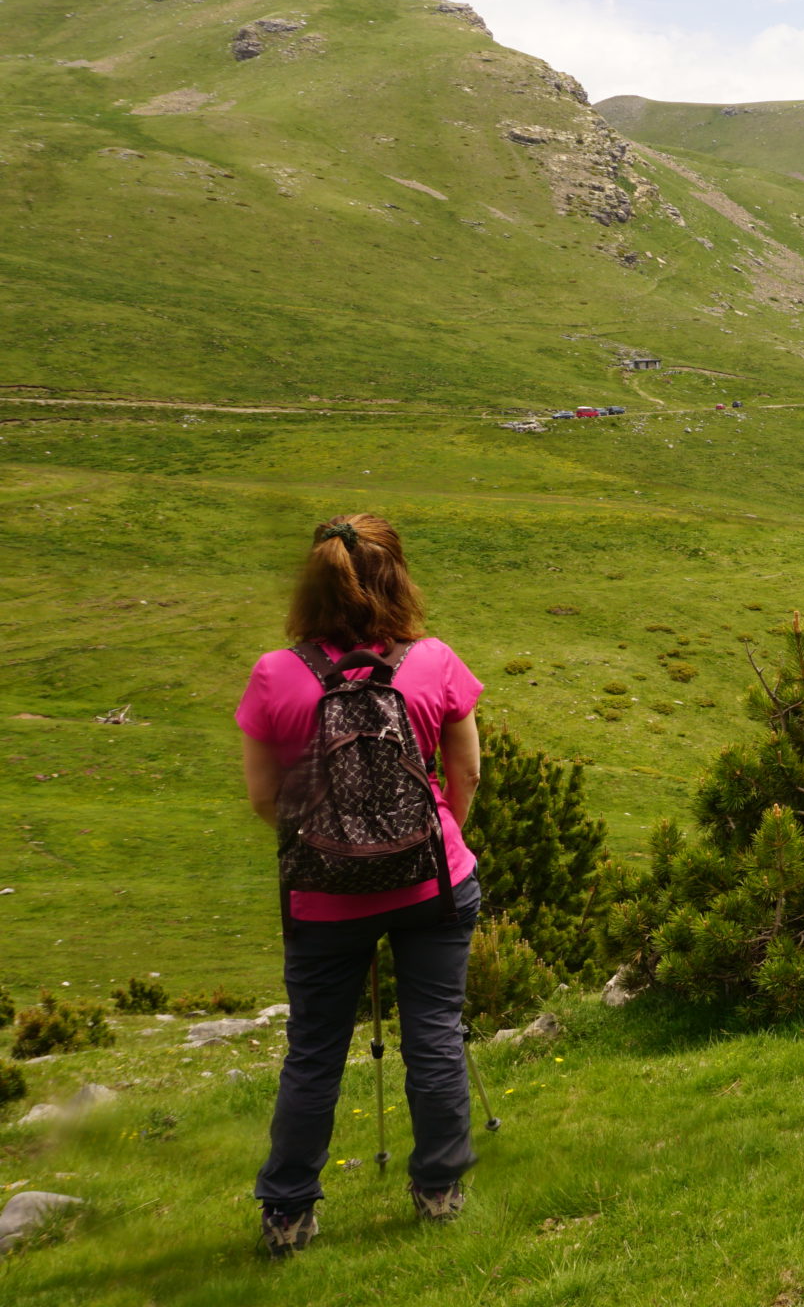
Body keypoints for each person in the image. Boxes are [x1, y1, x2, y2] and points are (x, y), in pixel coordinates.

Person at [235, 513, 484, 1258]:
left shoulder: (274, 674)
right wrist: (439, 835)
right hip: (432, 883)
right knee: (434, 1034)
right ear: (397, 579)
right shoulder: (435, 661)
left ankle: (288, 1213)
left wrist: (333, 849)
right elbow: (464, 772)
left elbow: (262, 797)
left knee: (313, 1050)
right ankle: (439, 1192)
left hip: (321, 897)